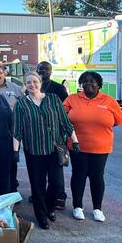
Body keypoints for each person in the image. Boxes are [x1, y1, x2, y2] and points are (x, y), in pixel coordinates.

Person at [13, 72, 78, 230]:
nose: (32, 84)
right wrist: (16, 150)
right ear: (25, 85)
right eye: (28, 82)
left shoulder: (53, 99)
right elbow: (17, 129)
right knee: (37, 185)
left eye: (35, 81)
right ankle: (41, 216)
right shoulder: (21, 104)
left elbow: (65, 121)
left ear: (40, 83)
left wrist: (74, 140)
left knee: (56, 184)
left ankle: (50, 207)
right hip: (33, 151)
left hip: (54, 148)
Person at [63, 71, 122, 222]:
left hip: (101, 147)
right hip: (77, 145)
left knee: (97, 177)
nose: (88, 84)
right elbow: (62, 119)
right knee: (79, 175)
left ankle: (98, 208)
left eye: (92, 81)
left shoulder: (109, 101)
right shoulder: (72, 99)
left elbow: (118, 121)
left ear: (99, 84)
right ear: (81, 84)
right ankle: (77, 206)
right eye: (85, 81)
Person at [36, 61, 69, 209]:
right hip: (37, 134)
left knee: (56, 167)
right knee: (40, 169)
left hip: (55, 134)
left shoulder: (58, 88)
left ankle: (59, 197)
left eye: (46, 69)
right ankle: (40, 194)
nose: (43, 71)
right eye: (40, 69)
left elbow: (66, 110)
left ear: (51, 71)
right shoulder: (33, 85)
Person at [0, 64, 25, 193]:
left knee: (12, 161)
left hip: (12, 131)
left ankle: (12, 189)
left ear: (4, 74)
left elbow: (24, 104)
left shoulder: (15, 88)